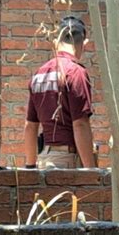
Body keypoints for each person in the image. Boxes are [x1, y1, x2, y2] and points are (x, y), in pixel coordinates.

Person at [24, 16, 96, 169]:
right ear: (84, 44)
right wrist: (90, 170)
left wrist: (30, 167)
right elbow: (80, 124)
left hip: (44, 159)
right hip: (67, 160)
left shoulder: (39, 74)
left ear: (56, 42)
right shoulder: (75, 72)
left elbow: (30, 126)